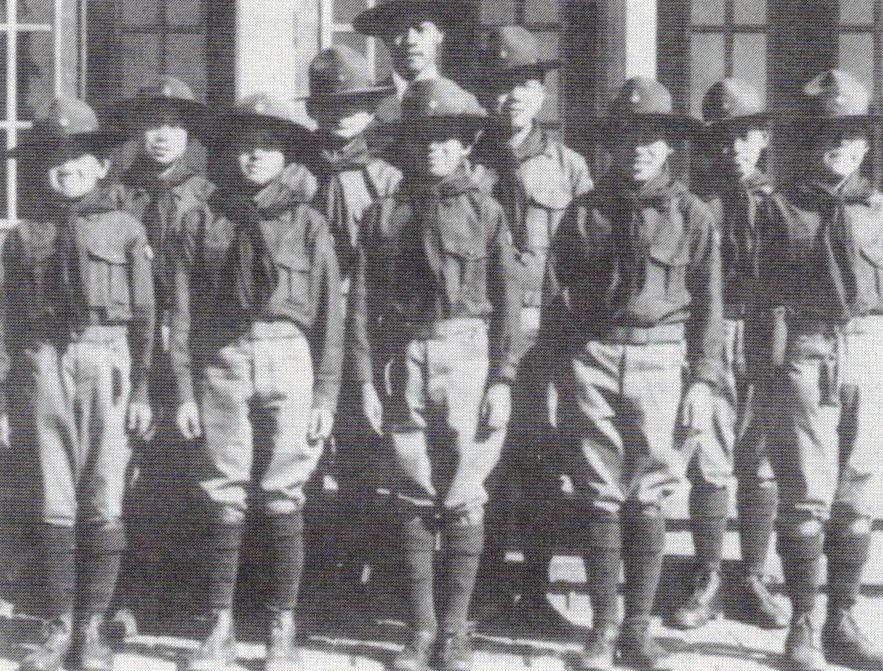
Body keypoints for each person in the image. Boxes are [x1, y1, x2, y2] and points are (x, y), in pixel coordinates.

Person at [547, 78, 723, 670]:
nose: (640, 150)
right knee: (600, 494)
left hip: (661, 359)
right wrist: (560, 370)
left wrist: (702, 378)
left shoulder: (693, 216)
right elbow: (557, 294)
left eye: (653, 138)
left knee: (649, 493)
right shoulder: (586, 212)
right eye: (628, 139)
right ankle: (602, 628)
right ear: (611, 148)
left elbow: (709, 306)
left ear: (671, 145)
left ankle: (639, 629)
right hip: (593, 357)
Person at [350, 77, 522, 671]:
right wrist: (367, 378)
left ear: (466, 143)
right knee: (413, 490)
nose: (433, 150)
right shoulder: (382, 215)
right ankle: (420, 629)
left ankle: (456, 631)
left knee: (466, 492)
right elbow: (362, 303)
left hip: (467, 353)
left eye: (446, 139)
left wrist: (503, 378)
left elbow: (507, 300)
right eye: (422, 139)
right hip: (402, 358)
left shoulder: (489, 211)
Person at [172, 94, 344, 671]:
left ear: (285, 153)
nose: (253, 157)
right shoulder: (202, 218)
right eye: (244, 146)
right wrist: (183, 389)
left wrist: (326, 393)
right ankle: (219, 624)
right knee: (223, 489)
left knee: (284, 491)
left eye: (267, 147)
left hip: (289, 358)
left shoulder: (309, 221)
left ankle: (281, 624)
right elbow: (181, 312)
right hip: (222, 360)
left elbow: (331, 317)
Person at [0, 98, 154, 671]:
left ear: (100, 165)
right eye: (53, 160)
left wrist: (140, 389)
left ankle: (93, 629)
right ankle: (59, 626)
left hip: (106, 359)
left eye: (78, 158)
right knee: (53, 497)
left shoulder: (125, 227)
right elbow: (8, 319)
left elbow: (145, 317)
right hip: (42, 367)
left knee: (104, 493)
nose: (66, 170)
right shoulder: (23, 234)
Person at [471, 24, 592, 631]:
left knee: (544, 460)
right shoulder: (466, 163)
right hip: (482, 335)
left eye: (523, 85)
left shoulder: (570, 168)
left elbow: (590, 256)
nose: (512, 98)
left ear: (540, 95)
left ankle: (539, 583)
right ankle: (487, 584)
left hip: (548, 336)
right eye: (500, 87)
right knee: (485, 458)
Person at [761, 69, 883, 671]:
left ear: (865, 142)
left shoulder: (880, 210)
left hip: (868, 348)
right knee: (805, 495)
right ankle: (803, 624)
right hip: (804, 352)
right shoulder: (781, 210)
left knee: (856, 493)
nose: (840, 144)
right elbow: (761, 298)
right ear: (810, 140)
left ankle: (843, 617)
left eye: (851, 134)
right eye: (827, 133)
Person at [673, 78, 789, 630]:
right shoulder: (692, 206)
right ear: (708, 145)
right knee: (711, 458)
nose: (736, 147)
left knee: (761, 460)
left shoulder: (784, 202)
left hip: (770, 336)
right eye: (723, 138)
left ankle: (755, 575)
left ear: (763, 139)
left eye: (747, 136)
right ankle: (709, 574)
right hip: (712, 333)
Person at [110, 74, 213, 620]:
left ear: (188, 132)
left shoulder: (209, 193)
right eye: (153, 124)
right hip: (132, 341)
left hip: (193, 342)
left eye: (174, 125)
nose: (162, 136)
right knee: (134, 465)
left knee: (193, 464)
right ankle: (133, 596)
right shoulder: (119, 194)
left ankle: (194, 594)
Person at [305, 43, 402, 609]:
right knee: (310, 448)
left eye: (355, 105)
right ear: (316, 110)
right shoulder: (296, 175)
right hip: (310, 327)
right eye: (330, 104)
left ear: (371, 112)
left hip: (371, 325)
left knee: (370, 450)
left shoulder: (390, 179)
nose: (342, 115)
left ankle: (374, 577)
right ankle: (320, 575)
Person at [353, 0, 466, 128]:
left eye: (421, 29)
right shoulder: (363, 107)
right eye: (398, 30)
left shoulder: (465, 104)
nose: (410, 40)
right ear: (385, 37)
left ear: (440, 35)